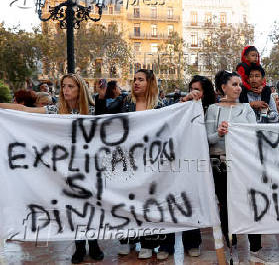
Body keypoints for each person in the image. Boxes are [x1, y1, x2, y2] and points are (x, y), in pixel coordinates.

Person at [0, 74, 103, 264]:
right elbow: (24, 110)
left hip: (91, 166)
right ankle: (79, 246)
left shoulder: (95, 111)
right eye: (64, 86)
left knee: (91, 205)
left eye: (71, 86)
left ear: (80, 89)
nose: (65, 90)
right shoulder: (58, 110)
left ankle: (94, 243)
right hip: (67, 168)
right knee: (75, 207)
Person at [95, 69, 169, 260]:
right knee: (126, 201)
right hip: (125, 162)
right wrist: (102, 97)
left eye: (141, 80)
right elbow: (104, 117)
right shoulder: (125, 102)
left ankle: (148, 243)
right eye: (135, 79)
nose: (136, 83)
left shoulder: (160, 105)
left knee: (147, 202)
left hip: (149, 162)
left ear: (150, 83)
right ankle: (127, 240)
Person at [206, 70, 273, 263]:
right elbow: (205, 138)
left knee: (251, 203)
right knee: (226, 207)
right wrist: (218, 133)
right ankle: (231, 247)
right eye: (234, 84)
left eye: (239, 84)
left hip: (244, 165)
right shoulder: (212, 109)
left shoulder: (246, 108)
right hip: (221, 165)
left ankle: (256, 249)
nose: (238, 88)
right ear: (222, 87)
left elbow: (253, 135)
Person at [162, 75, 216, 258]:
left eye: (198, 89)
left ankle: (193, 242)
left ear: (205, 93)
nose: (193, 92)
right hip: (178, 160)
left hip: (198, 162)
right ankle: (166, 245)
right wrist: (185, 102)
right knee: (170, 199)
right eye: (191, 88)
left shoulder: (211, 110)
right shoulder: (181, 106)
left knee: (192, 200)